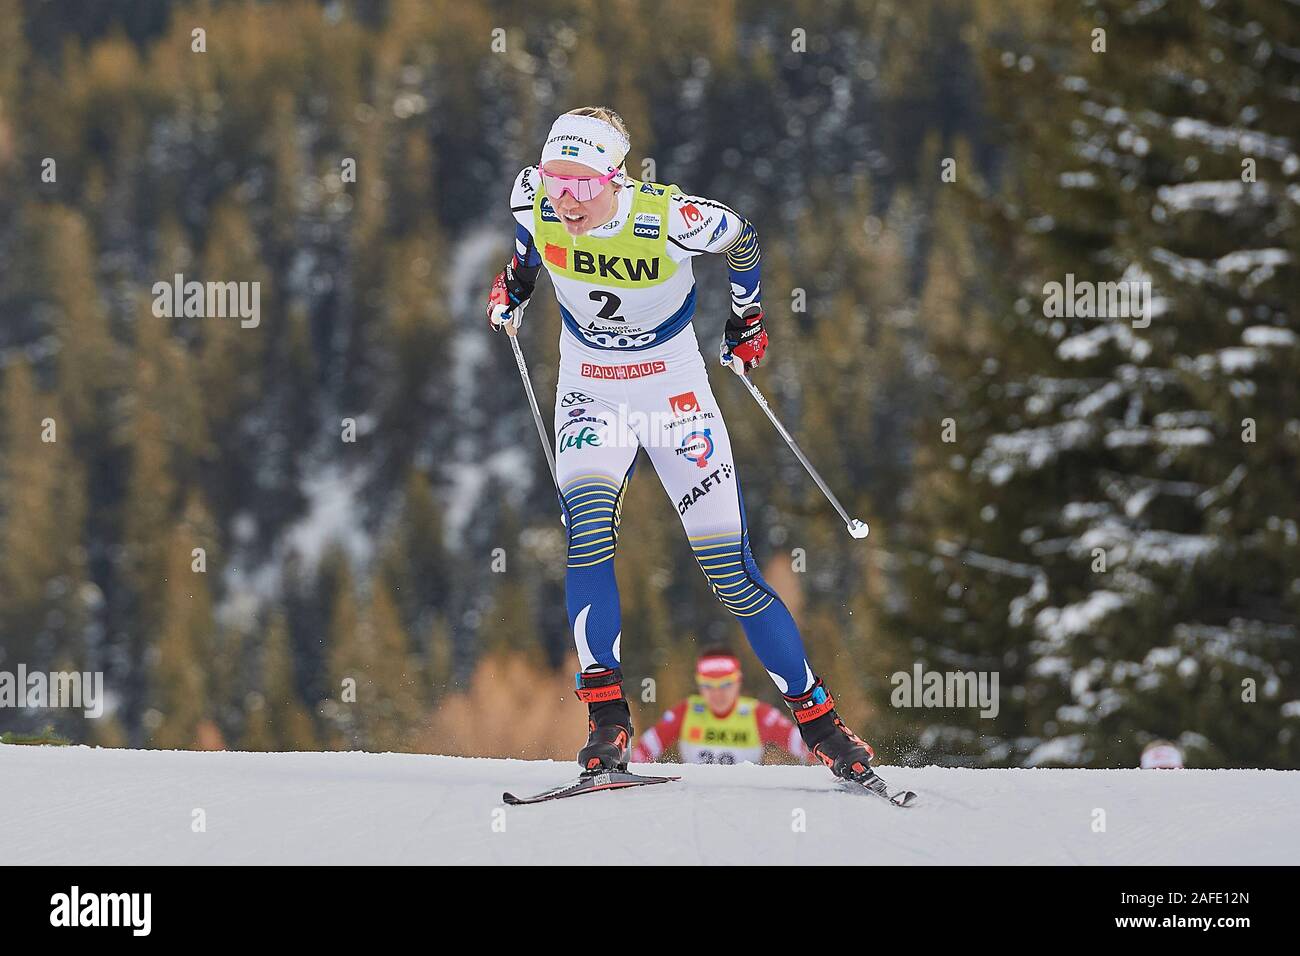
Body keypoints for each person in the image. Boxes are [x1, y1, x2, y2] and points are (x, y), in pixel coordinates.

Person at [486, 106, 878, 785]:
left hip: (675, 397)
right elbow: (526, 254)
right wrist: (514, 289)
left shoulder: (669, 219)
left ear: (616, 177)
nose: (566, 200)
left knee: (731, 572)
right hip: (591, 393)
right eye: (556, 181)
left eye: (583, 185)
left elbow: (744, 239)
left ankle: (820, 725)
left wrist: (747, 319)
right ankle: (607, 722)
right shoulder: (533, 198)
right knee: (587, 535)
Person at [631, 647, 810, 766]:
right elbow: (647, 746)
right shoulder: (687, 711)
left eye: (725, 685)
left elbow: (802, 743)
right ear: (699, 686)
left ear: (738, 683)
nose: (717, 694)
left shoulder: (758, 714)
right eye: (709, 686)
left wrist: (824, 761)